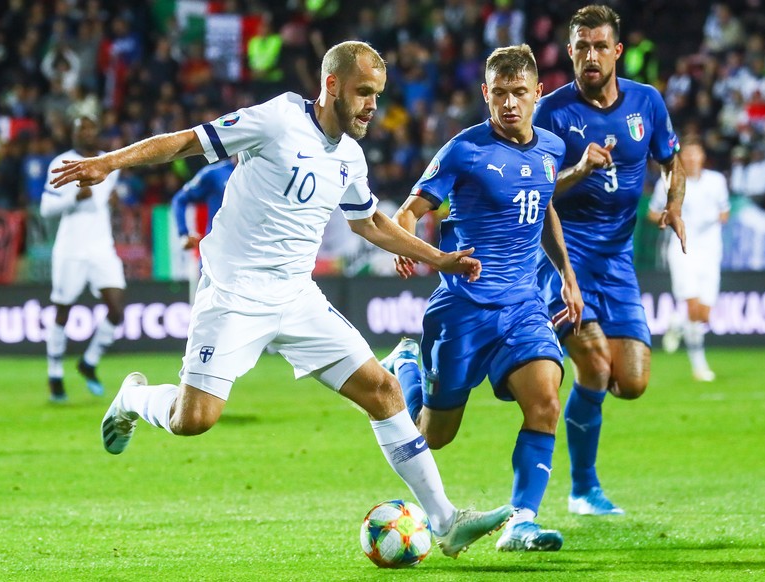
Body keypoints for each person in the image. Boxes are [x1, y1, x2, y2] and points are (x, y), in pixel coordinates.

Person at [50, 41, 512, 558]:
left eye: (377, 96)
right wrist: (109, 161)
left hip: (296, 296)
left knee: (383, 391)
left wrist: (438, 258)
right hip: (234, 293)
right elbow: (185, 142)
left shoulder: (350, 157)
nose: (370, 106)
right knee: (193, 420)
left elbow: (369, 222)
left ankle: (447, 521)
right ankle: (132, 399)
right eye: (362, 93)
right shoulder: (276, 120)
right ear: (331, 85)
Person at [382, 44, 583, 552]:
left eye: (520, 93)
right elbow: (408, 212)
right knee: (435, 435)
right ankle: (408, 363)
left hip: (523, 306)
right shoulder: (463, 151)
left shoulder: (552, 149)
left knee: (545, 402)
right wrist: (413, 248)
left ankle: (521, 522)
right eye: (499, 94)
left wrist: (567, 275)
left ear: (538, 92)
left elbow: (543, 210)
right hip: (463, 312)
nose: (510, 103)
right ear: (485, 94)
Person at [532, 5, 686, 516]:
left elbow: (671, 160)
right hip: (562, 259)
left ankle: (579, 451)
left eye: (600, 46)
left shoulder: (647, 102)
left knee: (634, 382)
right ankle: (583, 489)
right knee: (595, 366)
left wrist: (674, 202)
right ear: (570, 51)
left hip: (617, 260)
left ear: (617, 51)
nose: (591, 56)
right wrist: (578, 168)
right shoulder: (552, 113)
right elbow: (531, 189)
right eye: (582, 47)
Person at [41, 115, 125, 403]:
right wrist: (73, 199)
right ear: (73, 134)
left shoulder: (109, 162)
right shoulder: (61, 163)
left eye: (90, 128)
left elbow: (107, 198)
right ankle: (55, 375)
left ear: (97, 132)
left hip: (102, 246)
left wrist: (114, 202)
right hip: (71, 248)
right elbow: (45, 208)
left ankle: (88, 362)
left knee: (116, 310)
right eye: (80, 129)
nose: (86, 133)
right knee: (63, 310)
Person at [648, 139, 730, 381]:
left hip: (711, 251)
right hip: (682, 249)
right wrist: (667, 218)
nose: (693, 158)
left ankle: (676, 322)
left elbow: (725, 212)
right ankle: (699, 366)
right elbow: (653, 213)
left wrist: (712, 218)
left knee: (703, 315)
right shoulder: (670, 180)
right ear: (682, 157)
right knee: (693, 307)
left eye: (697, 154)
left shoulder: (717, 181)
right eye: (689, 154)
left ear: (703, 157)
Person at [170, 157, 233, 301]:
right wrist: (183, 233)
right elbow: (180, 199)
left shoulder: (262, 173)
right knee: (206, 309)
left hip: (251, 256)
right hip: (216, 255)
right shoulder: (215, 173)